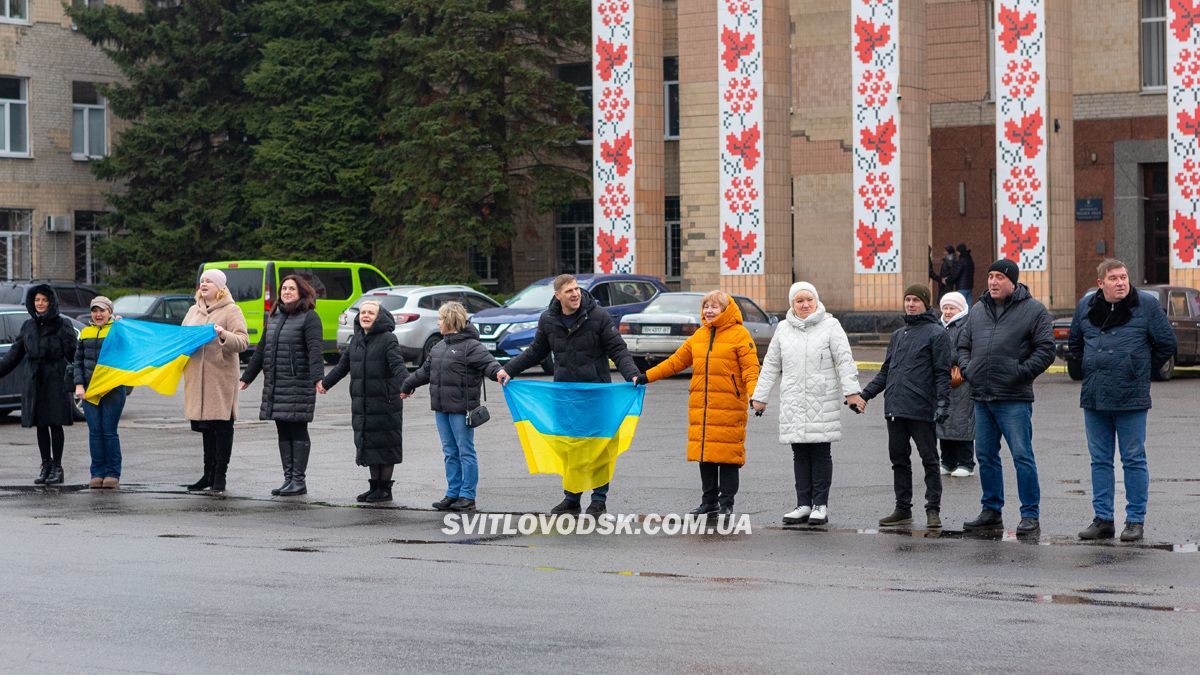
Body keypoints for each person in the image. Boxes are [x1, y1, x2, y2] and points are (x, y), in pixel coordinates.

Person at [496, 274, 640, 516]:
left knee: (598, 448)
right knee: (570, 449)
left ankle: (598, 500)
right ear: (558, 295)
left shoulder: (598, 316)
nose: (575, 294)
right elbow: (535, 351)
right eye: (569, 291)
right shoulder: (549, 319)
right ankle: (571, 499)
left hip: (596, 394)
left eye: (577, 289)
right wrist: (507, 370)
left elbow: (618, 349)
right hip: (565, 397)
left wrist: (632, 374)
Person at [1068, 259, 1176, 543]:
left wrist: (1138, 370)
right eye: (1114, 278)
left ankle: (1135, 520)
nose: (1120, 282)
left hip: (1131, 397)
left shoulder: (1146, 306)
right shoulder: (1086, 307)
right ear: (1100, 282)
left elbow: (1167, 344)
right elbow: (1076, 345)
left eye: (1124, 277)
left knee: (1133, 459)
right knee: (1100, 461)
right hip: (1095, 396)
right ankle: (1103, 519)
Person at [751, 282, 864, 526]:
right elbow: (771, 364)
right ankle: (803, 504)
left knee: (821, 452)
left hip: (821, 399)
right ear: (792, 304)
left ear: (816, 301)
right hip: (793, 399)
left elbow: (845, 360)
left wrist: (852, 393)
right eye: (799, 301)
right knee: (799, 453)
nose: (805, 305)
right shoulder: (783, 328)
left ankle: (820, 506)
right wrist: (760, 397)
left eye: (809, 300)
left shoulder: (831, 326)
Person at [957, 259, 1055, 535]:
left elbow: (1046, 349)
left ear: (1013, 281)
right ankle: (991, 510)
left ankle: (1030, 515)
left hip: (1014, 397)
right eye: (990, 276)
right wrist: (968, 370)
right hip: (982, 396)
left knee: (1022, 456)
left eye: (999, 276)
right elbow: (963, 345)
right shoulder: (978, 310)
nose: (993, 282)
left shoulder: (1034, 310)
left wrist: (1020, 372)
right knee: (986, 456)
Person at [642, 291, 759, 517]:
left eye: (714, 307)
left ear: (726, 310)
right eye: (706, 306)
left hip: (728, 406)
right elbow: (676, 362)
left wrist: (755, 396)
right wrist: (646, 376)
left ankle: (726, 503)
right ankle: (709, 502)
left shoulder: (740, 335)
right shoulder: (699, 335)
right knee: (705, 455)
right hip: (701, 408)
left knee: (727, 457)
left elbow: (751, 370)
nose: (709, 311)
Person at [860, 284, 951, 529]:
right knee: (899, 460)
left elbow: (942, 373)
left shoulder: (936, 333)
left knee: (930, 460)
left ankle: (933, 510)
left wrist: (943, 403)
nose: (910, 304)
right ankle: (903, 509)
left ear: (925, 303)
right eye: (907, 300)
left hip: (921, 409)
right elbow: (886, 371)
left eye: (916, 300)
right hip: (895, 409)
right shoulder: (898, 335)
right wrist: (865, 395)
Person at [401, 301, 502, 512]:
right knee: (449, 451)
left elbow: (490, 365)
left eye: (440, 319)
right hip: (441, 408)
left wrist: (500, 374)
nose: (438, 323)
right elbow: (424, 372)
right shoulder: (439, 347)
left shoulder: (472, 346)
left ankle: (467, 496)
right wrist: (408, 384)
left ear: (449, 320)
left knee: (465, 451)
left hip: (462, 410)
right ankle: (453, 493)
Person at [240, 275, 324, 497]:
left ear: (301, 292)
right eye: (284, 288)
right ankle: (288, 479)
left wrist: (318, 379)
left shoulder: (309, 317)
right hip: (276, 383)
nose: (286, 292)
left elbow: (315, 350)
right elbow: (261, 349)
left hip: (298, 383)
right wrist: (247, 376)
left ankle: (299, 480)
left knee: (297, 429)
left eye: (291, 289)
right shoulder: (275, 316)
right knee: (282, 430)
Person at [318, 300, 406, 503]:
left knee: (385, 445)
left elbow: (398, 366)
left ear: (379, 317)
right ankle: (375, 486)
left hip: (385, 403)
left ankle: (384, 489)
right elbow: (342, 367)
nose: (365, 315)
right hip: (363, 403)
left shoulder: (388, 339)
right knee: (369, 444)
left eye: (371, 313)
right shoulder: (356, 340)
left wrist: (406, 385)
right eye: (363, 312)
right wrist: (325, 383)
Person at [0, 284, 77, 485]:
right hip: (34, 380)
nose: (40, 304)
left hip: (55, 380)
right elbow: (13, 355)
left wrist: (82, 378)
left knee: (55, 423)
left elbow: (74, 354)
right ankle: (46, 465)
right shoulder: (28, 326)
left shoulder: (63, 325)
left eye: (44, 300)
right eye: (37, 300)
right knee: (40, 424)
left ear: (51, 302)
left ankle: (57, 468)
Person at [182, 269, 250, 493]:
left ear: (220, 287)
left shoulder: (232, 310)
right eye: (202, 281)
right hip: (197, 379)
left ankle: (220, 475)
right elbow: (181, 338)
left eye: (209, 281)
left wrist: (223, 334)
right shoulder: (193, 310)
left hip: (219, 379)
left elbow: (242, 342)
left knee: (221, 428)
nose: (204, 284)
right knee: (206, 429)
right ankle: (207, 474)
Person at [74, 296, 126, 489]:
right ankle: (97, 473)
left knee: (109, 432)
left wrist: (123, 326)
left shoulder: (118, 330)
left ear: (109, 313)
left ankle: (112, 473)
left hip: (113, 389)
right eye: (95, 311)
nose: (98, 314)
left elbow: (129, 351)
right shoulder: (85, 333)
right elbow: (77, 361)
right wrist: (79, 385)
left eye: (102, 311)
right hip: (90, 391)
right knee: (95, 432)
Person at [937, 291, 976, 478]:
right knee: (943, 421)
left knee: (962, 423)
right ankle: (947, 461)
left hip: (961, 383)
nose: (947, 311)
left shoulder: (967, 326)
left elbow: (965, 351)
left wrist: (948, 361)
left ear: (960, 309)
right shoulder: (938, 326)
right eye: (945, 308)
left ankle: (966, 463)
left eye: (951, 308)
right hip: (942, 382)